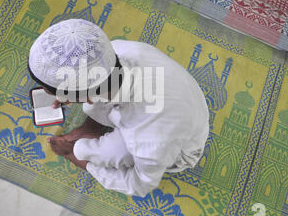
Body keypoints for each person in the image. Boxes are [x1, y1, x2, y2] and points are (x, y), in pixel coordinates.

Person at [28, 19, 209, 197]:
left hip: (181, 146)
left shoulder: (150, 140)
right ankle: (90, 128)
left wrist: (74, 157)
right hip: (177, 102)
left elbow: (138, 185)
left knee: (89, 151)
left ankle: (76, 149)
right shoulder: (117, 49)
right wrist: (74, 95)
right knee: (96, 104)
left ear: (83, 96)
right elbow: (99, 84)